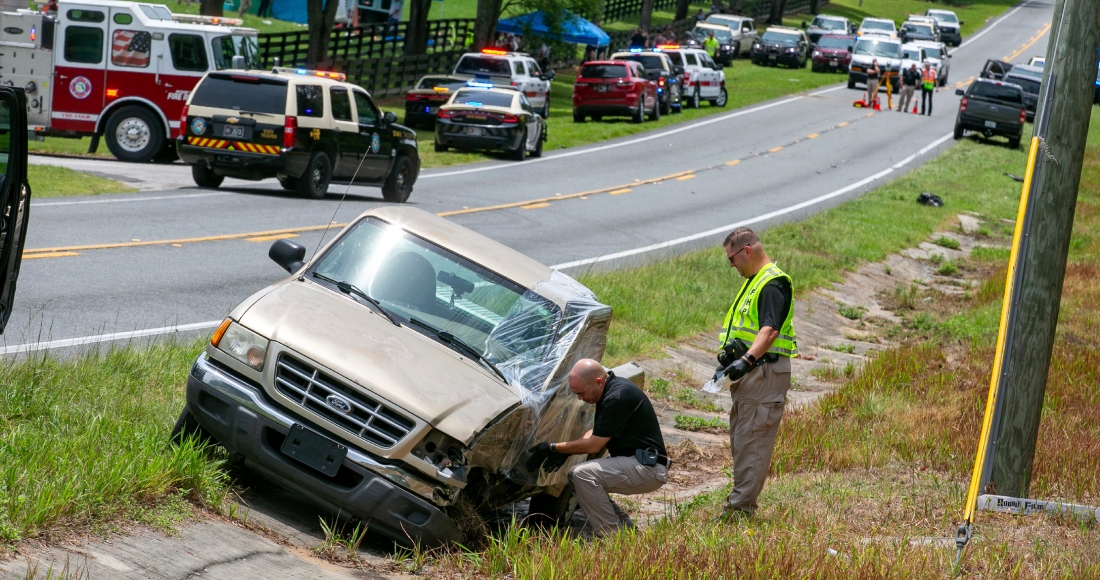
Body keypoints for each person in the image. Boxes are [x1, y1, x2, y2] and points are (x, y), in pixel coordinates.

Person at [527, 359, 669, 537]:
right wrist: (564, 451)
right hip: (640, 464)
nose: (580, 398)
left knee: (583, 475)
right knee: (575, 475)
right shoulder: (611, 389)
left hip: (648, 469)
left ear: (598, 382)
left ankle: (612, 538)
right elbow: (596, 431)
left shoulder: (617, 396)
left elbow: (594, 445)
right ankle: (627, 532)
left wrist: (552, 447)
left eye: (581, 393)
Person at [714, 227, 797, 521]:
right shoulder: (754, 282)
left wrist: (747, 361)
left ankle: (740, 511)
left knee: (753, 441)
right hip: (751, 375)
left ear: (746, 251)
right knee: (742, 437)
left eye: (732, 259)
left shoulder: (772, 283)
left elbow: (770, 330)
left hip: (763, 373)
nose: (731, 265)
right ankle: (740, 502)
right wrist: (728, 362)